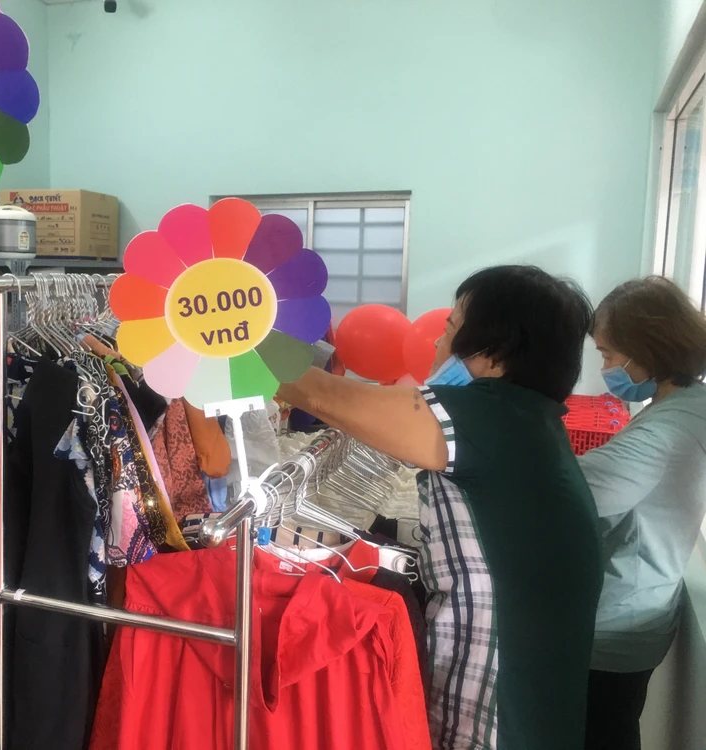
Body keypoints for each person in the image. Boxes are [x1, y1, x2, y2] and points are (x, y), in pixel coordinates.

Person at [278, 265, 602, 750]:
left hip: (502, 714)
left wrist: (236, 339)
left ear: (495, 352)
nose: (435, 342)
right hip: (535, 698)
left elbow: (323, 397)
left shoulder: (490, 418)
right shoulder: (530, 423)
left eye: (449, 329)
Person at [578, 277, 706, 750]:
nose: (606, 368)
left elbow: (580, 491)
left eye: (609, 355)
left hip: (619, 620)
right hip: (641, 603)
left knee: (603, 733)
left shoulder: (667, 429)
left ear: (648, 348)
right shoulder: (688, 403)